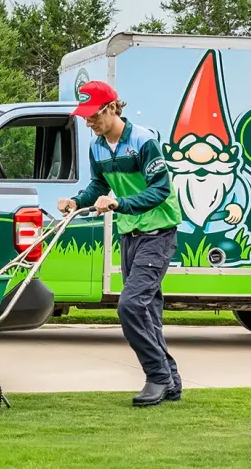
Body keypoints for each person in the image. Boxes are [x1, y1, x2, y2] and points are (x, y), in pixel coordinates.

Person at [58, 80, 185, 407]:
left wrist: (119, 204)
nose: (89, 122)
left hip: (158, 231)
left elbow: (160, 191)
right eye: (85, 117)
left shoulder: (143, 141)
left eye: (93, 115)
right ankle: (170, 381)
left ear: (112, 107)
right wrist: (75, 201)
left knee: (130, 306)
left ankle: (156, 376)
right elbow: (97, 185)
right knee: (149, 311)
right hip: (130, 233)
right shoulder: (97, 147)